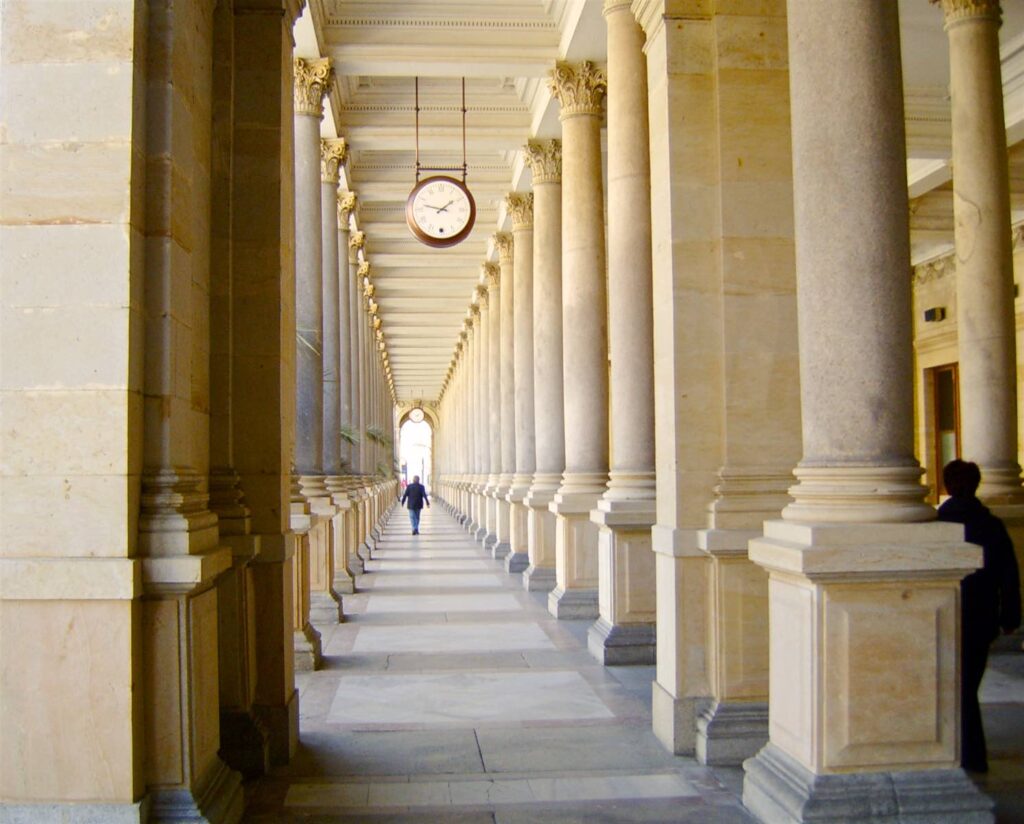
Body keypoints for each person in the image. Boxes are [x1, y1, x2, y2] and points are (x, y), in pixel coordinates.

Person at [937, 459, 1021, 773]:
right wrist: (1010, 617)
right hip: (981, 617)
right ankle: (972, 754)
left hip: (942, 615)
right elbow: (1008, 575)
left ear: (947, 486)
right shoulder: (992, 525)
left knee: (949, 686)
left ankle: (958, 752)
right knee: (969, 685)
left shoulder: (936, 526)